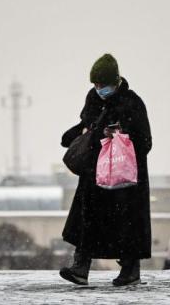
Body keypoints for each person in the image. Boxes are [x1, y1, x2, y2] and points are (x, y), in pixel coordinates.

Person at [59, 54, 153, 287]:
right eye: (95, 85)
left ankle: (130, 270)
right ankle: (80, 268)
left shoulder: (132, 103)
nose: (99, 89)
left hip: (125, 178)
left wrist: (120, 137)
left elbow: (145, 141)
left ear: (115, 81)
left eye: (102, 84)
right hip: (95, 174)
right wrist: (74, 135)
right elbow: (87, 125)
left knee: (126, 225)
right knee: (88, 220)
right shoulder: (93, 99)